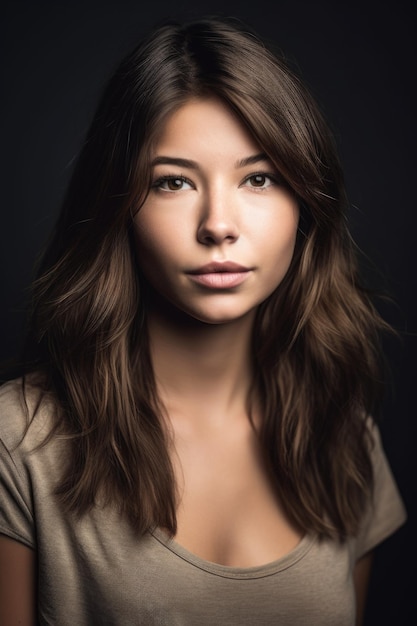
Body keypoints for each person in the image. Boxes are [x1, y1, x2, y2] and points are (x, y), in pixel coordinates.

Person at [0, 16, 406, 626]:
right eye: (173, 182)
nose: (218, 223)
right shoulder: (19, 441)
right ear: (118, 207)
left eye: (259, 178)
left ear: (306, 205)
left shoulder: (345, 436)